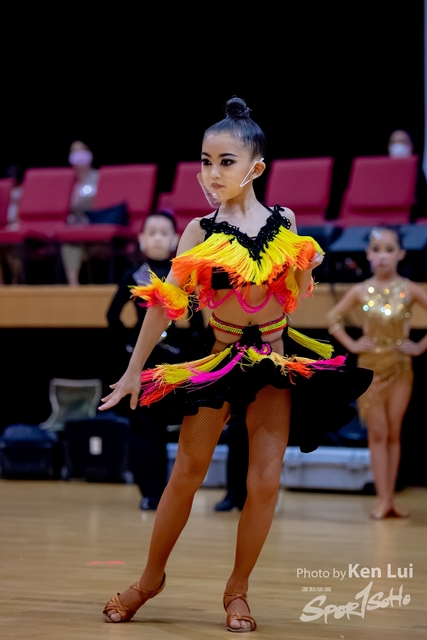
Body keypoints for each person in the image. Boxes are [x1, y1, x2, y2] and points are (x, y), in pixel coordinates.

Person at [99, 96, 372, 632]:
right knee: (186, 475)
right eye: (206, 161)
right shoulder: (199, 230)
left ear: (256, 168)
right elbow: (163, 306)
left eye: (226, 161)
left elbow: (292, 297)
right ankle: (149, 580)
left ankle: (238, 590)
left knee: (264, 483)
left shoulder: (285, 220)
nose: (212, 173)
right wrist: (134, 370)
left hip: (273, 362)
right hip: (219, 363)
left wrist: (305, 264)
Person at [106, 209, 205, 510]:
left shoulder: (183, 277)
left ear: (175, 239)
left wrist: (185, 352)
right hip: (141, 363)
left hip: (171, 365)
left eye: (164, 233)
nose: (158, 238)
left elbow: (197, 324)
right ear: (141, 239)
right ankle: (149, 491)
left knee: (163, 428)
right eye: (152, 233)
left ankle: (166, 491)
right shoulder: (134, 275)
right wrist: (130, 346)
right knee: (142, 427)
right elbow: (112, 316)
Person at [326, 225, 427, 519]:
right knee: (378, 432)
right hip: (370, 367)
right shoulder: (360, 290)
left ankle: (390, 498)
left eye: (389, 249)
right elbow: (333, 318)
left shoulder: (409, 289)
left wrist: (419, 347)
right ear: (368, 254)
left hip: (399, 365)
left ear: (401, 254)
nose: (382, 255)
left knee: (394, 431)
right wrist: (352, 344)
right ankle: (382, 500)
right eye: (377, 250)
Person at [60, 140, 99, 285]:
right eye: (74, 152)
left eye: (81, 150)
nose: (78, 155)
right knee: (69, 242)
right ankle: (73, 287)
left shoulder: (98, 177)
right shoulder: (67, 181)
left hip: (95, 223)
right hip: (74, 227)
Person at [387, 129, 427, 222]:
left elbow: (423, 202)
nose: (398, 146)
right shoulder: (380, 171)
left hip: (410, 221)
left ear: (411, 146)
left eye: (403, 142)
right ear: (388, 147)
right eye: (394, 142)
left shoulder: (417, 171)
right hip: (385, 220)